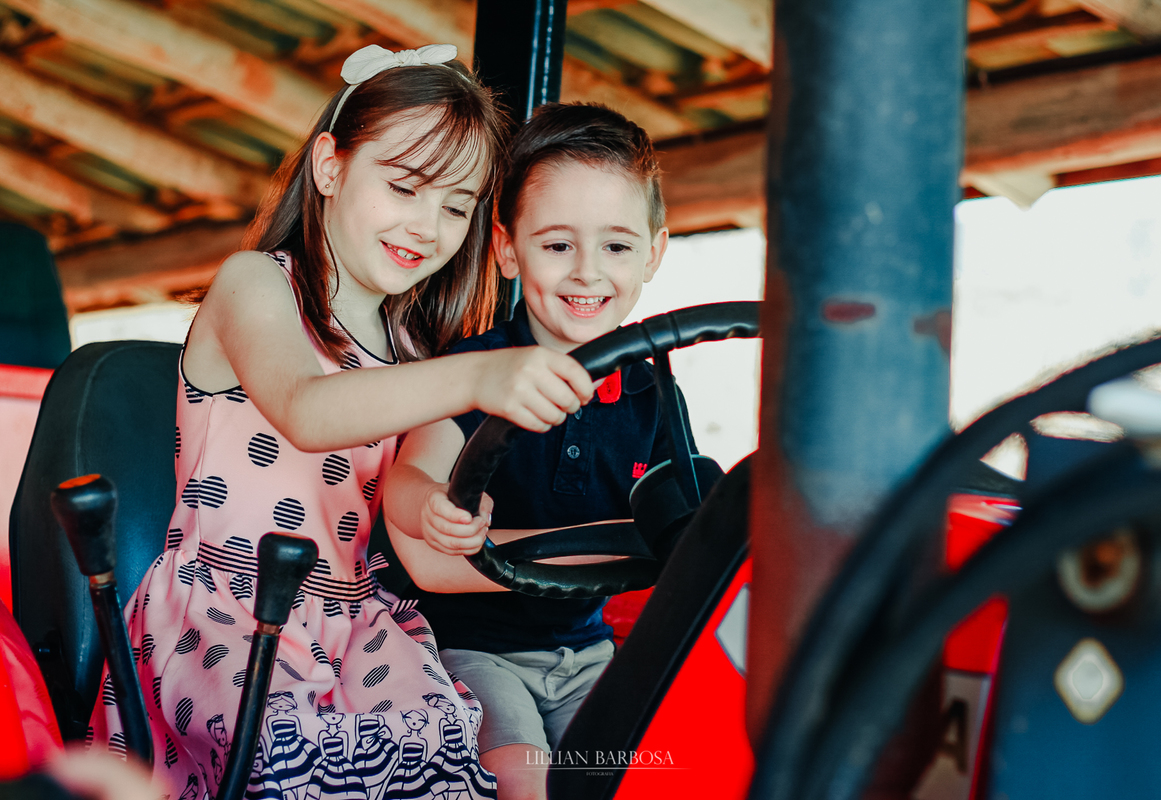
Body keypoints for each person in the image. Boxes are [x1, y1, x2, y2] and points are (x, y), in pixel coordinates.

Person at [87, 45, 596, 800]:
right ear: (329, 167)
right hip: (230, 612)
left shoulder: (413, 349)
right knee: (289, 757)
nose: (428, 225)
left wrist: (444, 511)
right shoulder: (255, 285)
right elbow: (307, 410)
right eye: (405, 187)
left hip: (352, 620)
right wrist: (482, 374)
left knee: (441, 751)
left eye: (456, 207)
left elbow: (406, 505)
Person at [385, 102, 701, 800]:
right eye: (558, 246)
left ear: (653, 252)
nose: (588, 273)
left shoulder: (655, 392)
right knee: (526, 782)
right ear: (508, 250)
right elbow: (407, 477)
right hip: (475, 652)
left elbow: (681, 517)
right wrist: (430, 505)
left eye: (616, 247)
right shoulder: (472, 371)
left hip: (588, 650)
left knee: (652, 777)